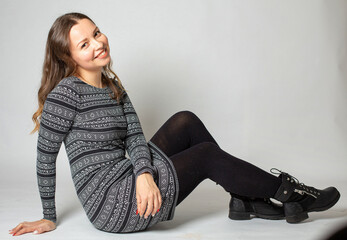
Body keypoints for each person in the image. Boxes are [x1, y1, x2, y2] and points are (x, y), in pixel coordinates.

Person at [9, 12, 340, 236]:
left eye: (96, 33)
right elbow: (44, 158)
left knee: (185, 121)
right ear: (69, 58)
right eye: (85, 44)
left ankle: (243, 201)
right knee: (206, 154)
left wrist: (143, 174)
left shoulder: (112, 87)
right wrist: (49, 216)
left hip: (128, 178)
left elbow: (136, 137)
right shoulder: (65, 95)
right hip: (110, 206)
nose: (98, 43)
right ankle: (291, 194)